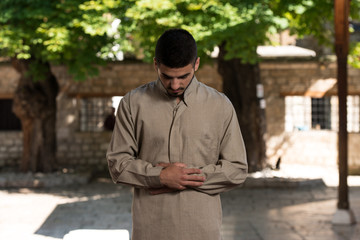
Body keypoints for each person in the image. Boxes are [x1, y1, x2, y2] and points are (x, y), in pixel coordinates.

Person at [106, 29, 247, 240]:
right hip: (150, 229)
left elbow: (237, 169)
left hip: (202, 229)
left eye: (183, 76)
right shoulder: (132, 103)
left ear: (196, 64)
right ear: (156, 64)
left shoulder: (220, 106)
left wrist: (182, 178)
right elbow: (117, 163)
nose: (175, 85)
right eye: (166, 76)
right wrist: (160, 176)